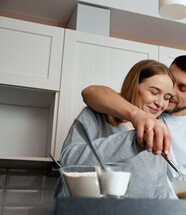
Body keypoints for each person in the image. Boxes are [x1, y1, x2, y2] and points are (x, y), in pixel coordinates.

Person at [82, 55, 186, 200]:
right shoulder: (144, 107)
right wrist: (137, 115)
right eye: (171, 81)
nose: (171, 92)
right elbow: (91, 92)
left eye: (182, 88)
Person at [60, 59, 175, 199]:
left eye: (167, 97)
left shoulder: (156, 137)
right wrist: (133, 140)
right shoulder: (97, 115)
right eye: (153, 92)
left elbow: (159, 195)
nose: (160, 103)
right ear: (134, 86)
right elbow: (69, 162)